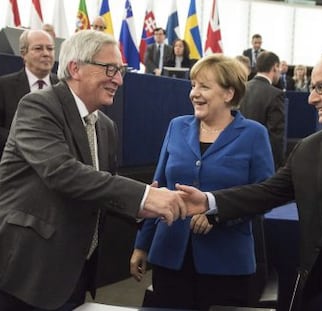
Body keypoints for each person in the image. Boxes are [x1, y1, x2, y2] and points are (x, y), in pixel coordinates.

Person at [178, 47, 322, 311]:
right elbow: (267, 192)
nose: (312, 98)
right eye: (312, 88)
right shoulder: (309, 149)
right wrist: (208, 201)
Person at [0, 30, 187, 311]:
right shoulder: (38, 105)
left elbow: (102, 189)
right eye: (110, 69)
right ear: (75, 67)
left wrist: (144, 210)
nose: (119, 80)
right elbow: (62, 172)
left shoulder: (105, 126)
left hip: (76, 272)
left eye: (121, 71)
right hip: (29, 271)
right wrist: (144, 196)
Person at [130, 54, 274, 310]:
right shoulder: (176, 127)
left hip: (227, 263)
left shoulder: (254, 134)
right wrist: (142, 245)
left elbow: (263, 196)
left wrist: (217, 215)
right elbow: (158, 188)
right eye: (193, 85)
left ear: (229, 93)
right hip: (170, 257)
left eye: (204, 86)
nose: (194, 93)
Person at [0, 29, 59, 155]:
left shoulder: (63, 87)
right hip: (16, 164)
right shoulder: (4, 86)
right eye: (38, 48)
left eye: (50, 49)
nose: (46, 54)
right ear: (23, 53)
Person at [239, 51, 285, 169]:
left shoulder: (241, 89)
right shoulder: (275, 95)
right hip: (262, 161)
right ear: (275, 67)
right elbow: (275, 135)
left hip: (238, 156)